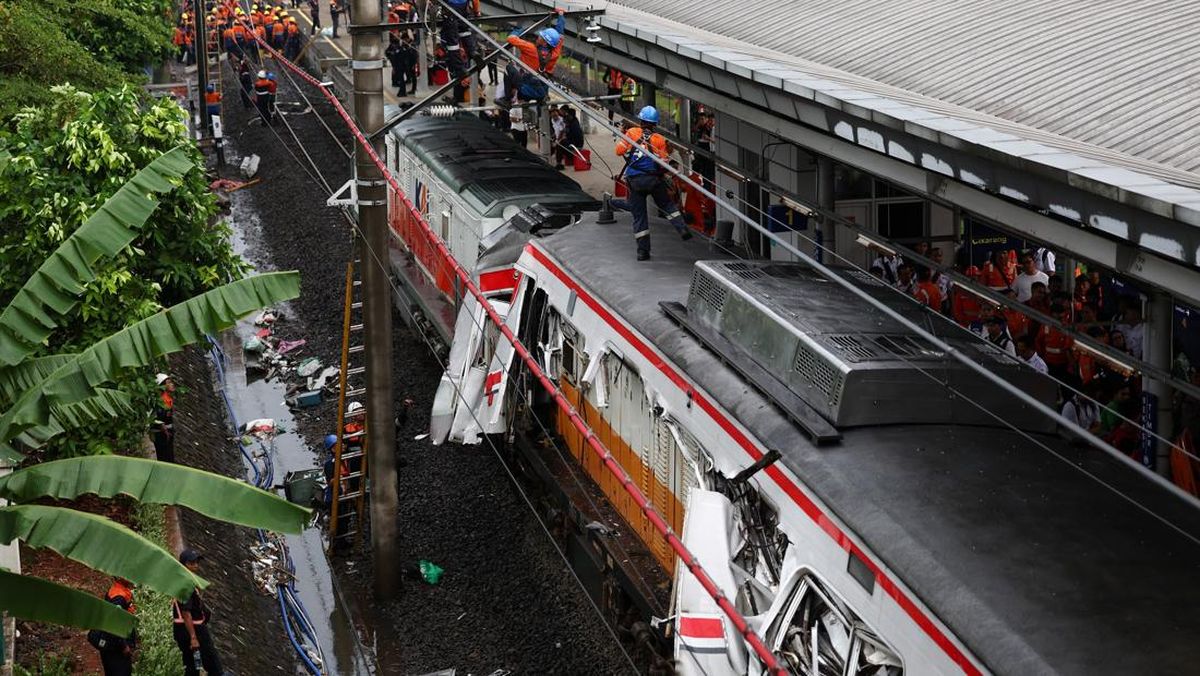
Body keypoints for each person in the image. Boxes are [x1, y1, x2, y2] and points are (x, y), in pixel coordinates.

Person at [613, 105, 691, 261]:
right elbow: (663, 161)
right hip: (654, 180)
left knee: (639, 216)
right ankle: (682, 229)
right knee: (667, 205)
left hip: (635, 181)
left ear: (641, 121)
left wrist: (626, 143)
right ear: (655, 124)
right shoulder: (659, 140)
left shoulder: (632, 133)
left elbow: (618, 151)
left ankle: (643, 252)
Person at [498, 11, 566, 106]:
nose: (538, 37)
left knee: (508, 68)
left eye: (541, 37)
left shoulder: (530, 48)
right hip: (541, 90)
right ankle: (542, 99)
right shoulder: (555, 53)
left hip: (526, 90)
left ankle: (507, 100)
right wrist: (561, 15)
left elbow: (511, 38)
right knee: (539, 78)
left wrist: (518, 30)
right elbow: (560, 34)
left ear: (545, 43)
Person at [173, 550, 224, 676]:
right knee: (211, 660)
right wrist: (193, 638)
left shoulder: (183, 580)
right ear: (184, 565)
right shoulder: (186, 584)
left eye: (197, 562)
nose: (196, 565)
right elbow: (186, 613)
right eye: (192, 563)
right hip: (193, 629)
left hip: (183, 630)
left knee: (192, 662)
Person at [89, 578, 137, 675]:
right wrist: (124, 646)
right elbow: (114, 623)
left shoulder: (118, 590)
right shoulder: (119, 597)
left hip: (112, 646)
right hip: (114, 648)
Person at [153, 373, 175, 463]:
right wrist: (164, 429)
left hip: (167, 432)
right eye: (168, 383)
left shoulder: (168, 399)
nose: (172, 384)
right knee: (165, 458)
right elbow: (158, 418)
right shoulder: (161, 401)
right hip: (162, 434)